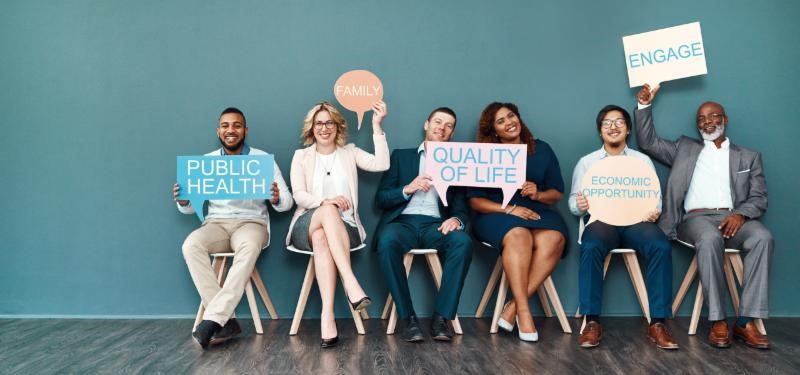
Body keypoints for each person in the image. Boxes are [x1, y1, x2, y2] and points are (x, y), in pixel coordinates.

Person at [636, 84, 773, 349]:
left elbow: (759, 198)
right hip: (695, 220)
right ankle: (718, 320)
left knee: (764, 238)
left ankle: (745, 322)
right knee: (710, 239)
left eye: (713, 116)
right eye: (701, 119)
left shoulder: (749, 156)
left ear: (725, 119)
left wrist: (740, 215)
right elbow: (647, 142)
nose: (707, 122)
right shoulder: (683, 148)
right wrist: (644, 105)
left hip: (735, 218)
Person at [173, 107, 294, 349]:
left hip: (252, 223)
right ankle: (225, 320)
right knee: (191, 245)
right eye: (226, 126)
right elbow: (189, 208)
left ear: (245, 130)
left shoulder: (262, 160)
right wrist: (184, 200)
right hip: (216, 223)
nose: (231, 130)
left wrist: (276, 197)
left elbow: (287, 204)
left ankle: (214, 318)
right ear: (218, 131)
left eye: (237, 125)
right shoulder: (206, 162)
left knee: (248, 246)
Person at [568, 105, 677, 349]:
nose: (613, 127)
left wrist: (654, 211)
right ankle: (592, 321)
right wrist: (580, 203)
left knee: (660, 245)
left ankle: (658, 322)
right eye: (607, 123)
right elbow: (573, 206)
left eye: (619, 122)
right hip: (602, 222)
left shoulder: (641, 160)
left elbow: (654, 198)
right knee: (592, 243)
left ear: (627, 129)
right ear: (600, 131)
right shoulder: (587, 163)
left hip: (636, 222)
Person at [287, 100, 390, 348]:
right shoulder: (301, 156)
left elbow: (382, 164)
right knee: (327, 210)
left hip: (346, 229)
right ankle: (351, 283)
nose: (324, 128)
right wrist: (327, 201)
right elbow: (299, 195)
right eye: (319, 123)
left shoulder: (349, 153)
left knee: (324, 239)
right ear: (312, 128)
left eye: (329, 122)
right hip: (306, 226)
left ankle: (327, 317)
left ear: (337, 126)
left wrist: (377, 126)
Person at [467, 102, 567, 342]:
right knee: (519, 234)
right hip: (496, 213)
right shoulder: (484, 154)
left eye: (511, 116)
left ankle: (510, 307)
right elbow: (475, 201)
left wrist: (538, 194)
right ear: (494, 131)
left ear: (519, 118)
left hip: (536, 210)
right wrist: (510, 209)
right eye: (500, 121)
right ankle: (524, 312)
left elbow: (557, 193)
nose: (508, 123)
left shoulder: (542, 149)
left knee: (555, 237)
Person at [374, 107, 473, 342]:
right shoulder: (401, 156)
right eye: (438, 122)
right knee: (387, 242)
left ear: (452, 133)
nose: (442, 127)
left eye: (449, 125)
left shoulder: (457, 162)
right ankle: (408, 319)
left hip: (436, 225)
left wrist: (456, 219)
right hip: (402, 223)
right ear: (426, 124)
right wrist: (407, 188)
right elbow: (381, 199)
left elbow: (460, 204)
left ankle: (441, 317)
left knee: (463, 242)